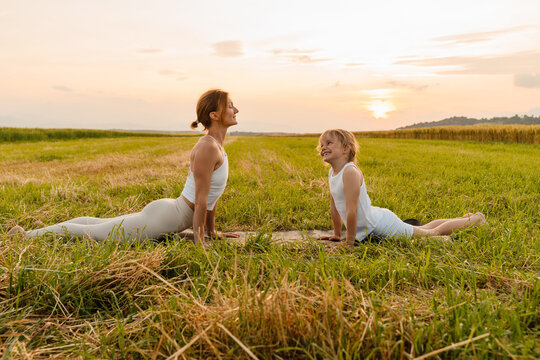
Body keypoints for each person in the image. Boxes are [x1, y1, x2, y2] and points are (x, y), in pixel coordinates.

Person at [9, 89, 239, 244]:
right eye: (230, 106)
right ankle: (25, 235)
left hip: (171, 212)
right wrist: (200, 242)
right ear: (214, 115)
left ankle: (47, 228)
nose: (235, 110)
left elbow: (210, 200)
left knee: (100, 225)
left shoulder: (217, 146)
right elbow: (200, 201)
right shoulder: (208, 147)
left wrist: (211, 232)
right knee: (95, 233)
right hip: (167, 218)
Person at [317, 129, 487, 246]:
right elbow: (335, 208)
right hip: (374, 220)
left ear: (346, 148)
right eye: (321, 144)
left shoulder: (350, 172)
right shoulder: (333, 173)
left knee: (431, 234)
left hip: (380, 224)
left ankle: (476, 220)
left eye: (329, 143)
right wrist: (337, 234)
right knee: (425, 228)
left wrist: (350, 241)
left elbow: (351, 211)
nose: (323, 147)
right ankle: (467, 218)